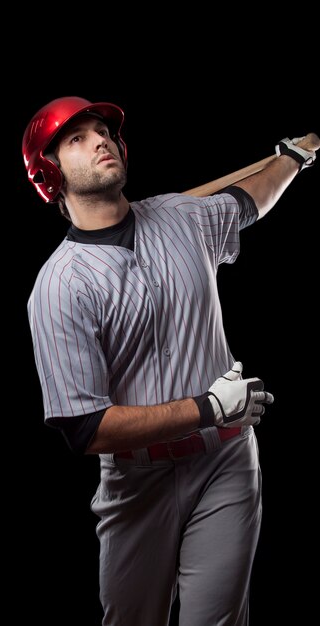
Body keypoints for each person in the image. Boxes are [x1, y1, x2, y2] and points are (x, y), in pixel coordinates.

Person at [22, 96, 318, 626]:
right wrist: (208, 406)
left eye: (103, 132)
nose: (99, 140)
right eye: (77, 139)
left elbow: (249, 199)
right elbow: (84, 428)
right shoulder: (60, 286)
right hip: (138, 483)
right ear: (50, 173)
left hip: (225, 462)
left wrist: (294, 157)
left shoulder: (184, 216)